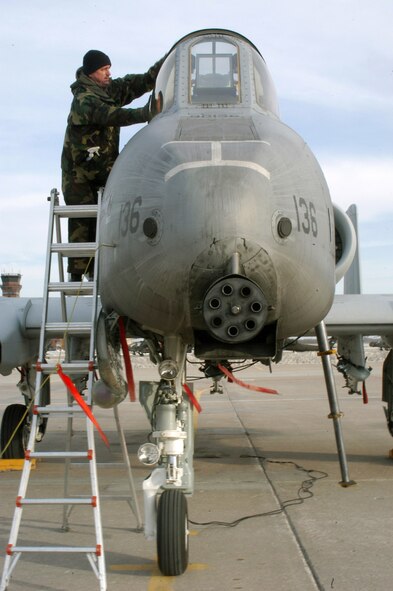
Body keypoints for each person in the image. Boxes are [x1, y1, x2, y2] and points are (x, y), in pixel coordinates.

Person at [61, 49, 165, 281]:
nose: (108, 73)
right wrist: (146, 113)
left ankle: (99, 271)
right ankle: (77, 276)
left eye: (108, 69)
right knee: (82, 223)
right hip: (79, 174)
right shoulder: (83, 100)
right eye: (103, 70)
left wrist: (164, 63)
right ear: (91, 73)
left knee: (106, 219)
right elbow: (111, 115)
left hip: (102, 168)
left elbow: (135, 83)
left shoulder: (107, 90)